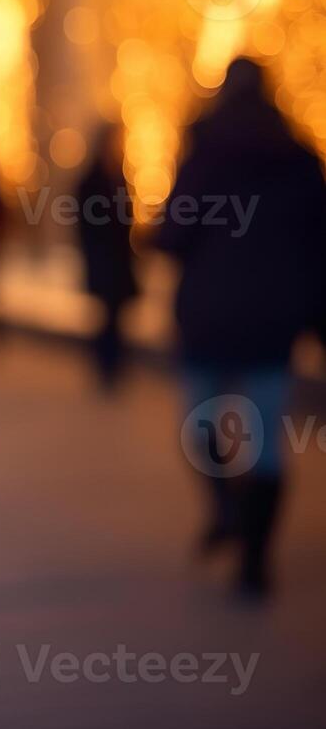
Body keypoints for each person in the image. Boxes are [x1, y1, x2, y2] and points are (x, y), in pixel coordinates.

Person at [156, 56, 326, 600]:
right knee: (266, 441)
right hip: (274, 323)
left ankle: (227, 508)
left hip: (209, 317)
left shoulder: (205, 152)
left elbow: (173, 234)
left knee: (200, 427)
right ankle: (256, 559)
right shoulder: (299, 159)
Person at [75, 124, 138, 388]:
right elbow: (86, 224)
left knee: (115, 315)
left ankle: (113, 366)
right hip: (103, 259)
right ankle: (106, 366)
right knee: (107, 315)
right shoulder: (92, 180)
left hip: (119, 261)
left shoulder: (118, 177)